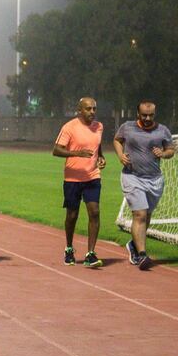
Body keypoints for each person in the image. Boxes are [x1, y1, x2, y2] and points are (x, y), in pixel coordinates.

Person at [113, 100, 174, 270]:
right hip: (132, 176)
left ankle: (133, 244)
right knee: (139, 214)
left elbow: (171, 150)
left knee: (146, 216)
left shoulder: (162, 130)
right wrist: (120, 155)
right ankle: (142, 255)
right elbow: (117, 140)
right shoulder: (127, 127)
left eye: (151, 115)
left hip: (154, 180)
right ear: (137, 114)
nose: (147, 118)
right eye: (144, 115)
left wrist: (163, 153)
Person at [52, 97, 106, 268]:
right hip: (73, 178)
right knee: (72, 215)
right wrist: (76, 154)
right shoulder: (70, 127)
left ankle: (90, 253)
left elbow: (97, 145)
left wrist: (101, 157)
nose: (92, 112)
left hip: (92, 176)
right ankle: (69, 248)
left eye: (94, 109)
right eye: (88, 109)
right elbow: (56, 150)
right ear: (79, 110)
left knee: (94, 212)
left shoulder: (99, 126)